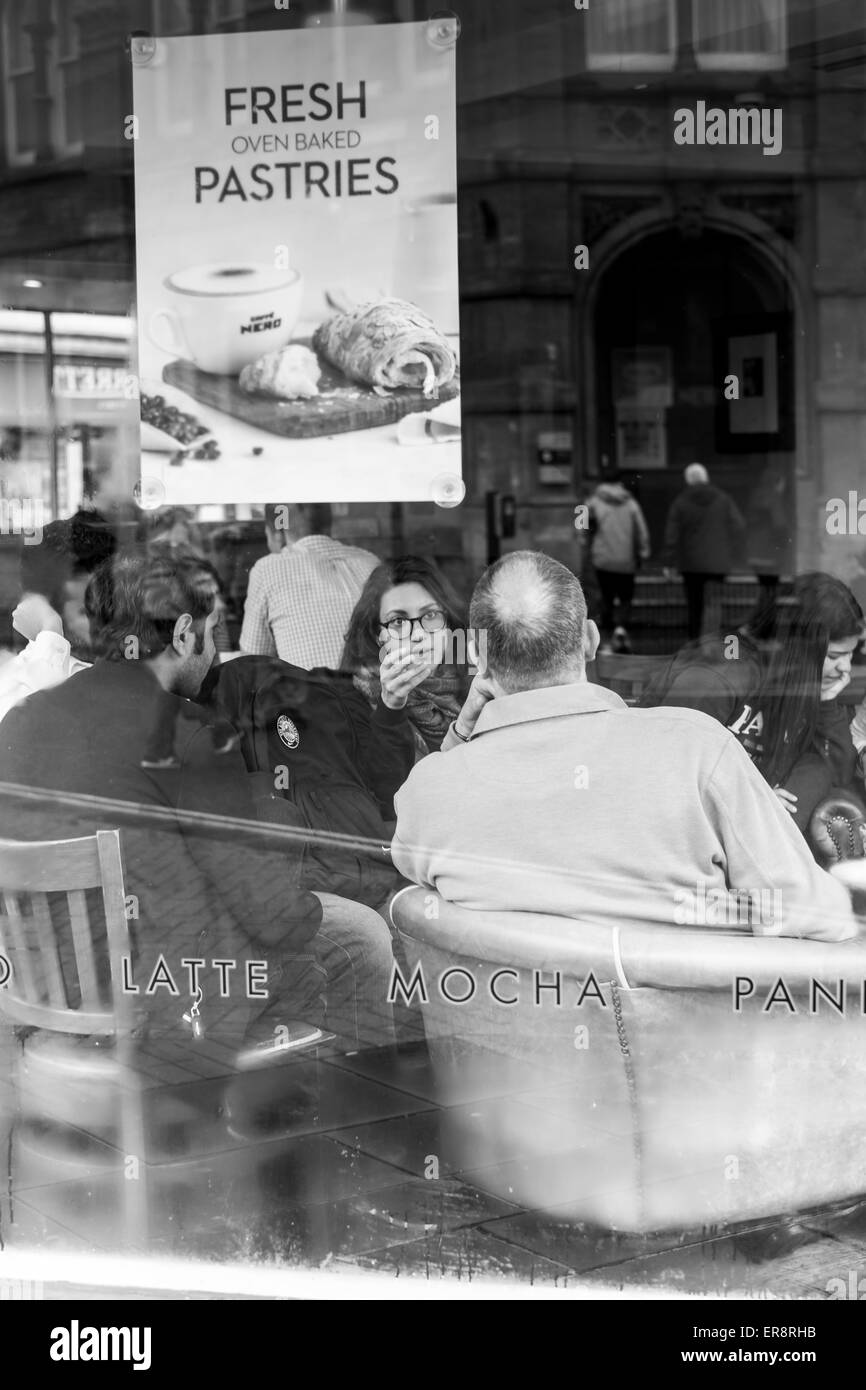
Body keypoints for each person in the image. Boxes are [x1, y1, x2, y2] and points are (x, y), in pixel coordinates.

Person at [0, 551, 396, 1054]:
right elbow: (272, 915)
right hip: (162, 1003)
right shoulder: (188, 734)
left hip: (47, 988)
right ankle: (359, 1118)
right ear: (184, 632)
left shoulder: (21, 719)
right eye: (213, 633)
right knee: (361, 934)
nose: (214, 651)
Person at [392, 551, 855, 942]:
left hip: (501, 1041)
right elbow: (815, 914)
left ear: (477, 657)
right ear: (591, 640)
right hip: (698, 1040)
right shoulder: (695, 749)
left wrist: (461, 734)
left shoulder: (429, 790)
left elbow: (417, 846)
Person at [639, 572, 864, 842]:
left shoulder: (796, 684)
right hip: (684, 831)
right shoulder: (719, 676)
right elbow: (669, 768)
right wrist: (748, 797)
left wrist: (827, 700)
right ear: (800, 646)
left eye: (853, 654)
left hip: (749, 832)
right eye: (835, 656)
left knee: (816, 768)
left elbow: (836, 771)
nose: (846, 669)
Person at [340, 555, 471, 757]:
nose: (418, 634)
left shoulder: (475, 671)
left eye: (430, 615)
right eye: (399, 621)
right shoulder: (354, 699)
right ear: (378, 635)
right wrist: (390, 706)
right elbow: (382, 783)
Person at [240, 503, 379, 670]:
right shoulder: (371, 562)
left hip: (310, 694)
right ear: (329, 524)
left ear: (278, 533)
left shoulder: (267, 569)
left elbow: (251, 664)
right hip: (375, 694)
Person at [0, 517, 109, 724]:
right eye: (86, 612)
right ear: (45, 608)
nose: (107, 623)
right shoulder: (13, 689)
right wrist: (50, 631)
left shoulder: (126, 667)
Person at [663, 463, 746, 640]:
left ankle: (695, 643)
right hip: (717, 563)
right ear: (706, 478)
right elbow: (738, 526)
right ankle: (712, 641)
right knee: (714, 603)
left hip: (691, 564)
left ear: (688, 480)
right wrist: (731, 551)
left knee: (695, 605)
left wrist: (669, 562)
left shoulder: (681, 502)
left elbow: (672, 535)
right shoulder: (723, 499)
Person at [586, 471, 650, 654]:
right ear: (619, 484)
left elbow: (580, 525)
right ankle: (621, 629)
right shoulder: (631, 503)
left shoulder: (592, 502)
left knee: (606, 596)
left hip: (602, 559)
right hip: (626, 559)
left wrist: (584, 542)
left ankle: (605, 635)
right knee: (625, 596)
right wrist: (643, 552)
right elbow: (642, 530)